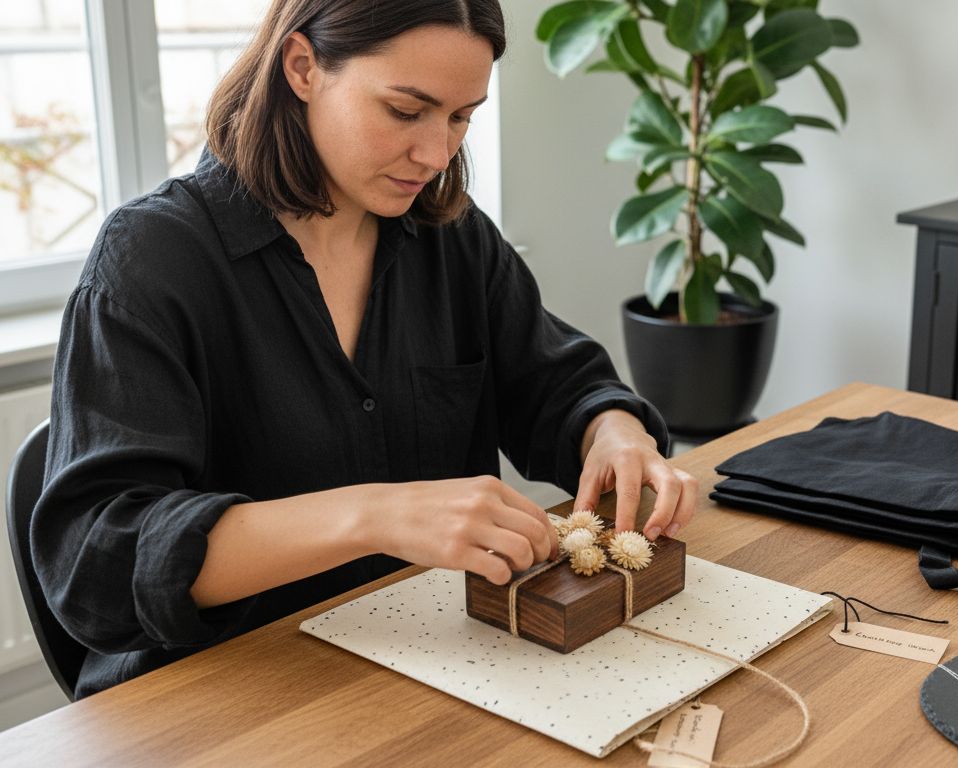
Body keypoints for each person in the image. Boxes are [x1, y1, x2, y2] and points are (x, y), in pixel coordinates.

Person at [33, 0, 697, 699]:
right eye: (406, 112)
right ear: (302, 68)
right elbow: (94, 563)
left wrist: (615, 430)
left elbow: (558, 383)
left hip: (431, 672)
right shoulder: (153, 260)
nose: (438, 154)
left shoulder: (452, 237)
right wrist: (376, 515)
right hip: (227, 703)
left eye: (462, 116)